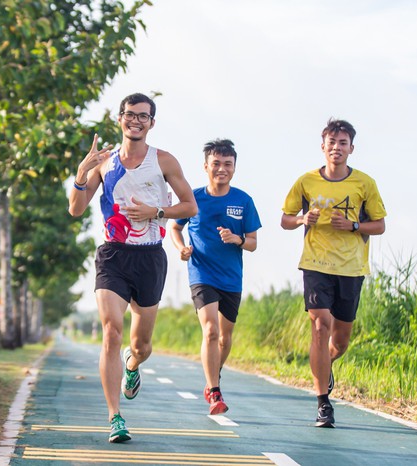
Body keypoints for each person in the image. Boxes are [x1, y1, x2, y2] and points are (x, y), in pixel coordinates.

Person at [68, 92, 197, 443]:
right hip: (113, 255)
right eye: (130, 114)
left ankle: (133, 364)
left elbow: (190, 207)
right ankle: (114, 417)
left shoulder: (164, 161)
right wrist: (81, 173)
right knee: (111, 330)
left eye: (143, 116)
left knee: (141, 346)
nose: (136, 120)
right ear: (120, 118)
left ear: (151, 123)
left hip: (150, 257)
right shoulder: (103, 163)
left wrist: (156, 213)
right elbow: (76, 209)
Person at [281, 118, 386, 428]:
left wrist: (353, 225)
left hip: (352, 268)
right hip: (316, 264)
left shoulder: (364, 184)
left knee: (339, 342)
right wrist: (303, 220)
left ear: (351, 148)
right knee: (319, 324)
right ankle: (323, 403)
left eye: (343, 143)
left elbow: (379, 225)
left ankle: (324, 364)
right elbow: (285, 219)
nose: (337, 147)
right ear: (323, 146)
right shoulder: (306, 182)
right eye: (332, 142)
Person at [170, 139, 261, 415]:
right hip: (201, 273)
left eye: (227, 164)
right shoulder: (194, 197)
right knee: (210, 330)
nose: (222, 169)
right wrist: (182, 249)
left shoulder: (243, 200)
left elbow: (253, 242)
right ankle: (214, 391)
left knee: (224, 338)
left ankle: (214, 374)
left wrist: (237, 239)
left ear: (234, 168)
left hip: (231, 278)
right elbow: (174, 227)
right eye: (216, 164)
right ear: (206, 166)